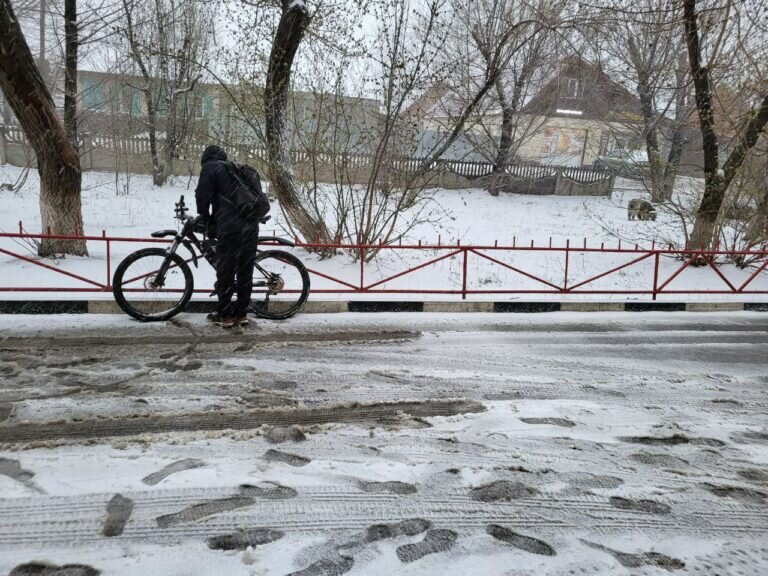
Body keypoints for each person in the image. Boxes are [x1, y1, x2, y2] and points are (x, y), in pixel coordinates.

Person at [195, 144, 259, 328]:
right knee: (245, 271)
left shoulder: (211, 168)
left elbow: (202, 196)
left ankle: (225, 315)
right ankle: (241, 314)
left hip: (230, 228)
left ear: (205, 158)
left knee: (226, 271)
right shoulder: (237, 169)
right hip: (251, 227)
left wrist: (205, 217)